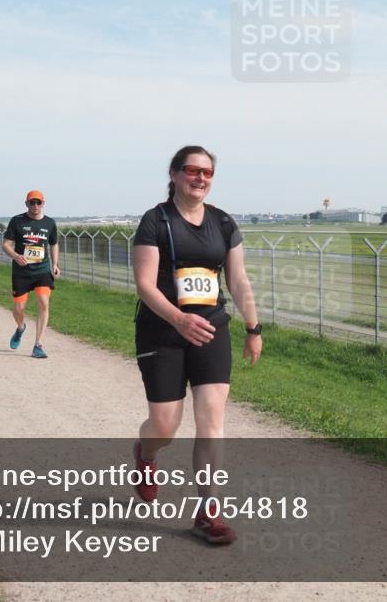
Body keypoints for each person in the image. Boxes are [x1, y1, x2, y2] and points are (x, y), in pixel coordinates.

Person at [131, 145, 262, 545]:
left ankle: (208, 512)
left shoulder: (223, 223)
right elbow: (145, 285)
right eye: (192, 170)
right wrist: (178, 318)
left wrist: (253, 328)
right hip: (163, 332)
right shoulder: (155, 221)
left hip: (210, 330)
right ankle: (145, 454)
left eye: (207, 172)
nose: (200, 178)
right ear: (173, 174)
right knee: (165, 427)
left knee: (211, 423)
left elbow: (238, 281)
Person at [2, 190, 60, 359]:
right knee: (19, 308)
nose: (35, 206)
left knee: (43, 302)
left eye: (38, 202)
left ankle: (38, 345)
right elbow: (6, 244)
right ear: (26, 203)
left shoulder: (50, 223)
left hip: (42, 270)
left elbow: (54, 244)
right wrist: (16, 256)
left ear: (43, 203)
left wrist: (55, 264)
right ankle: (20, 328)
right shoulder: (17, 221)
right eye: (32, 202)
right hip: (21, 271)